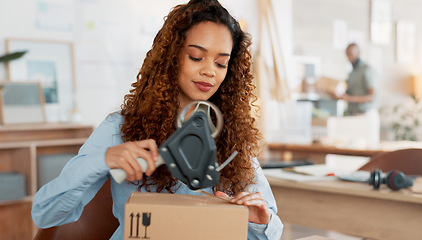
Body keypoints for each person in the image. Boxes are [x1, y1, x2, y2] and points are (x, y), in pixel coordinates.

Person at [31, 0, 283, 239]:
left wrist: (259, 221)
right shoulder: (120, 127)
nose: (209, 71)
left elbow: (271, 227)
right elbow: (46, 213)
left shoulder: (228, 134)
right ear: (172, 56)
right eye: (196, 57)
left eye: (221, 63)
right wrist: (103, 159)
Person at [338, 43, 376, 116]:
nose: (348, 58)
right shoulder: (352, 73)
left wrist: (350, 98)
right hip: (351, 113)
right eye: (347, 55)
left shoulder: (367, 70)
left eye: (350, 54)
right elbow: (346, 92)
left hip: (364, 114)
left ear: (358, 52)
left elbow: (371, 97)